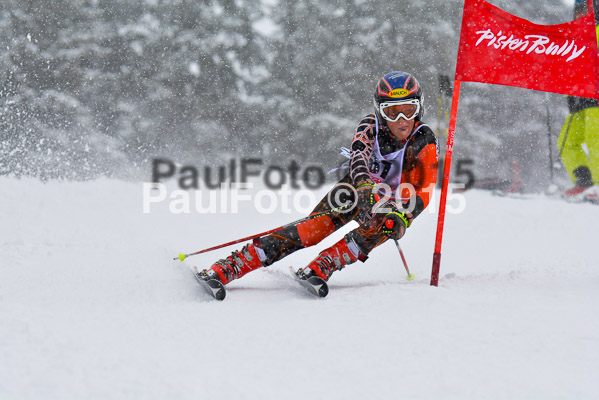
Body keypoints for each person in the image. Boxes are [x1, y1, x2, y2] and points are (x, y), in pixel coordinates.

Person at [198, 71, 439, 285]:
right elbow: (359, 158)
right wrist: (365, 186)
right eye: (392, 112)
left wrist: (404, 216)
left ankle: (324, 265)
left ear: (419, 109)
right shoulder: (370, 126)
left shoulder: (423, 138)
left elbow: (425, 186)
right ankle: (233, 265)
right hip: (355, 188)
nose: (401, 120)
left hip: (394, 200)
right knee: (311, 231)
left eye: (408, 110)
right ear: (379, 111)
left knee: (377, 228)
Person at [558, 0, 599, 199]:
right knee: (566, 142)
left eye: (586, 10)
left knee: (596, 140)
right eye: (579, 10)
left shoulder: (596, 31)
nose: (581, 14)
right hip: (578, 101)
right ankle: (585, 181)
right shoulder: (574, 36)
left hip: (596, 99)